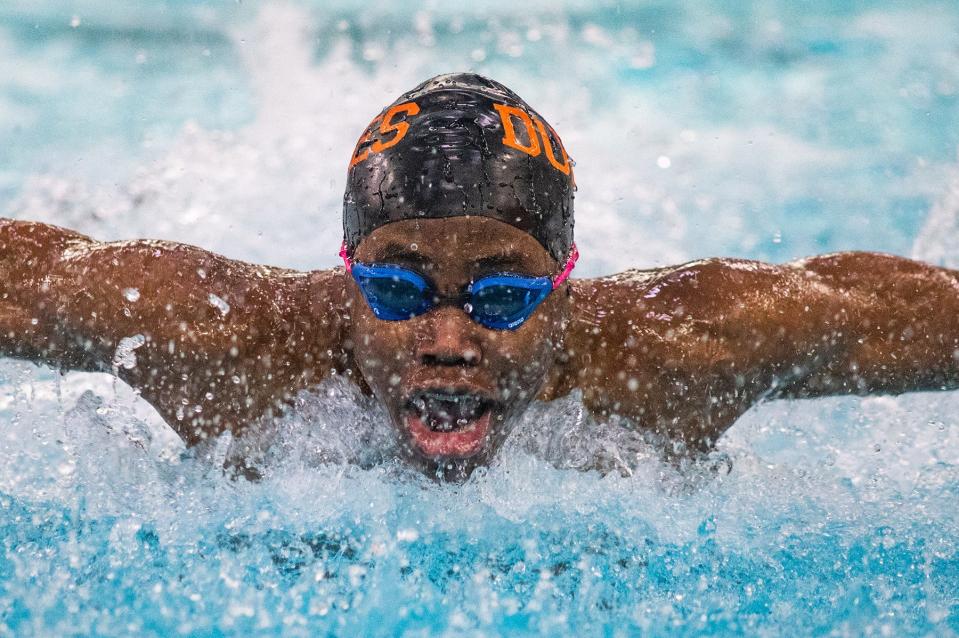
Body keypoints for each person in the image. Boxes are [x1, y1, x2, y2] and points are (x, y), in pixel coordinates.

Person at [2, 73, 957, 480]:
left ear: (567, 287)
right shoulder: (209, 337)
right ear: (345, 277)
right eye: (397, 292)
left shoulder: (689, 343)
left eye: (503, 298)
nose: (449, 343)